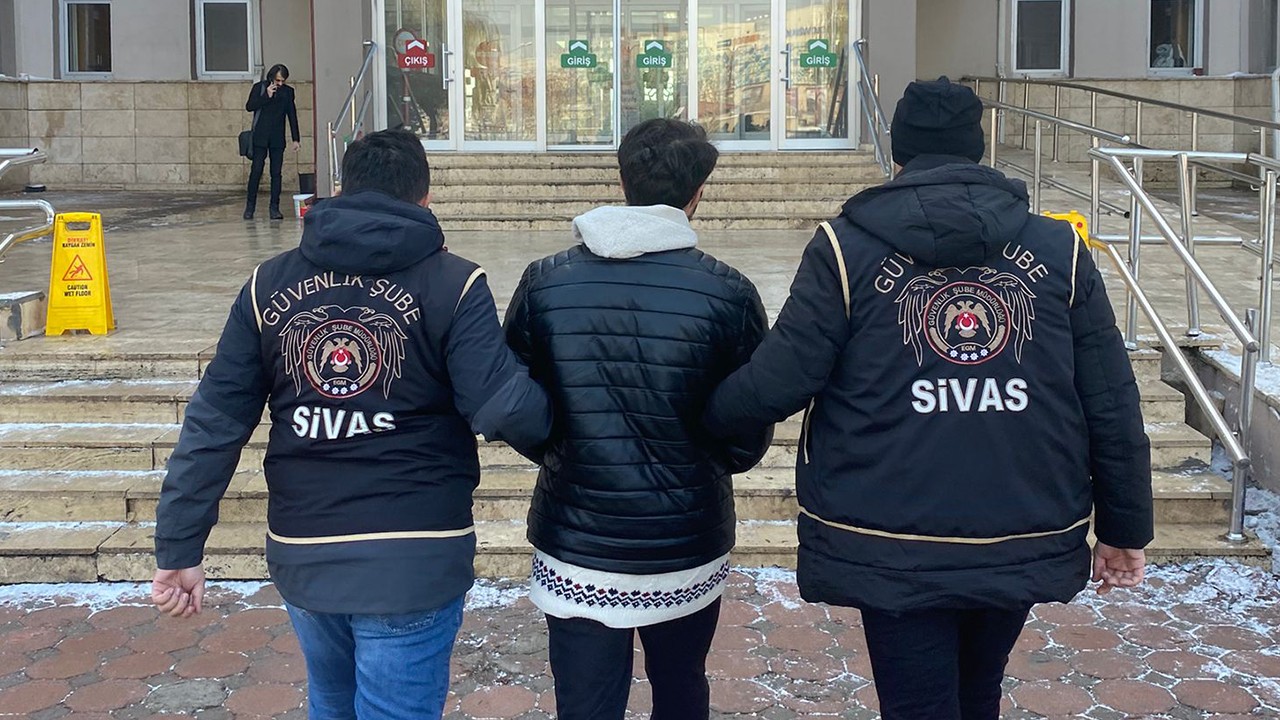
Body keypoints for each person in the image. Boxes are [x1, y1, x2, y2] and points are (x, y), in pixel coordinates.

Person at [702, 78, 1153, 720]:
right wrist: (1125, 527)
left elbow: (781, 378)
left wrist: (694, 417)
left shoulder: (848, 248)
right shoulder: (1057, 250)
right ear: (977, 148)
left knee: (920, 703)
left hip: (890, 531)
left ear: (899, 151)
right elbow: (1110, 401)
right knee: (976, 693)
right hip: (1019, 520)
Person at [152, 128, 551, 720]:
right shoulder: (454, 284)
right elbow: (504, 405)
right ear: (425, 198)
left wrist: (179, 543)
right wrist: (591, 434)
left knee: (332, 701)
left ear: (341, 189)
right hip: (415, 551)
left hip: (307, 548)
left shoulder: (268, 285)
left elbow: (214, 422)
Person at [503, 118, 772, 720]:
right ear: (697, 193)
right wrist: (704, 462)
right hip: (686, 535)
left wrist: (562, 451)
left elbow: (515, 401)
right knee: (681, 687)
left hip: (578, 534)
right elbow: (749, 424)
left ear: (622, 180)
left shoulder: (545, 282)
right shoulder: (729, 293)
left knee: (586, 704)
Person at [244, 63, 301, 220]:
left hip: (277, 137)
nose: (280, 83)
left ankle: (274, 208)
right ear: (271, 78)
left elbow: (292, 115)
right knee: (256, 171)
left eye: (283, 80)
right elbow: (249, 106)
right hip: (260, 136)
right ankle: (250, 207)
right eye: (277, 80)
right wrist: (266, 96)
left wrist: (296, 138)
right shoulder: (259, 88)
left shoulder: (288, 92)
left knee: (276, 173)